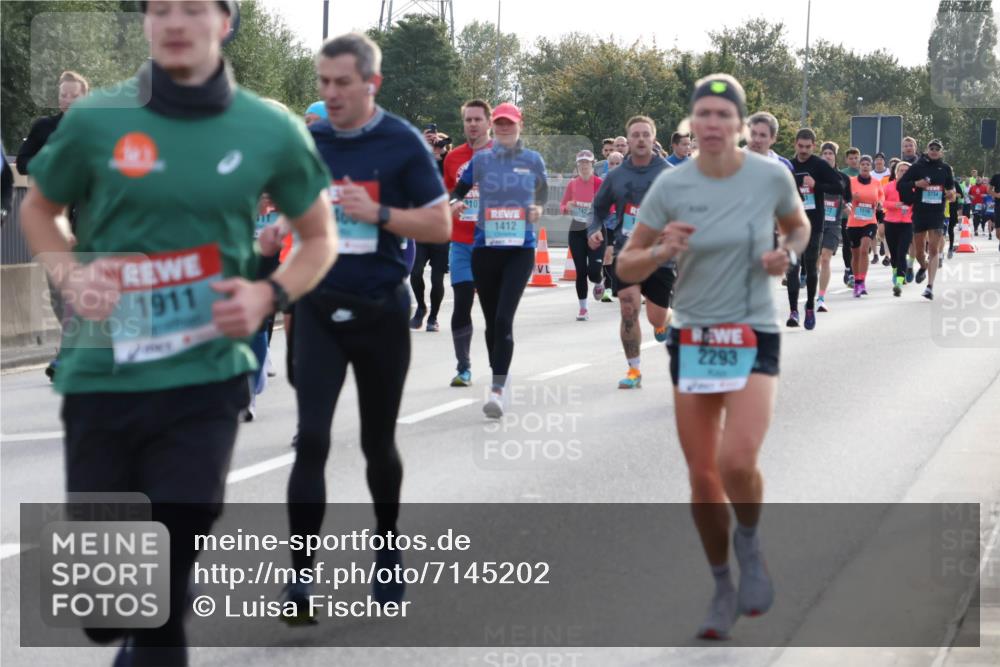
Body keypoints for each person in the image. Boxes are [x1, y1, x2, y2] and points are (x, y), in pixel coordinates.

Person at [19, 2, 338, 663]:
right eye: (159, 7)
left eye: (192, 7)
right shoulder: (97, 118)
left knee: (165, 581)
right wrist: (71, 274)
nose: (173, 20)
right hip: (103, 378)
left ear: (225, 23)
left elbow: (319, 236)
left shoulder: (268, 128)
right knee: (110, 611)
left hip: (204, 381)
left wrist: (268, 293)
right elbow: (39, 208)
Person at [616, 73, 809, 641]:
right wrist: (660, 250)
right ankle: (723, 584)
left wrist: (786, 254)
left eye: (724, 115)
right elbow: (626, 266)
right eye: (703, 115)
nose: (713, 124)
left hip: (752, 331)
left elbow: (798, 229)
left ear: (741, 125)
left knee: (737, 460)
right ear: (692, 125)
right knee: (702, 478)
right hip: (695, 335)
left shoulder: (771, 175)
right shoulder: (671, 188)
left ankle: (749, 544)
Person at [282, 32, 451, 620]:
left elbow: (439, 226)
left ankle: (387, 547)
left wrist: (377, 213)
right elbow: (280, 205)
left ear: (370, 84)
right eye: (323, 83)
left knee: (378, 443)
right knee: (313, 440)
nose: (330, 94)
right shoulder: (309, 141)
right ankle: (300, 580)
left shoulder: (401, 142)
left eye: (342, 84)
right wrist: (277, 229)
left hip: (380, 308)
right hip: (318, 305)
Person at [449, 102, 546, 418]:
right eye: (500, 124)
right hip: (485, 249)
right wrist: (453, 204)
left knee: (504, 319)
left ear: (520, 125)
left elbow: (542, 194)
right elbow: (460, 190)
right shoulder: (482, 159)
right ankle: (497, 374)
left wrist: (538, 210)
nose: (504, 129)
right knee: (492, 322)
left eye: (510, 124)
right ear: (495, 125)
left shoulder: (532, 160)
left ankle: (497, 388)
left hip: (520, 250)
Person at [588, 116, 673, 389]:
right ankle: (634, 370)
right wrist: (594, 229)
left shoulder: (669, 174)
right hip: (627, 253)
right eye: (634, 134)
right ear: (627, 139)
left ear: (652, 138)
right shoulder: (616, 176)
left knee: (655, 317)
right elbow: (598, 209)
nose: (639, 139)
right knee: (628, 308)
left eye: (645, 134)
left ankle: (665, 322)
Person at [17, 70, 89, 381]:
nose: (68, 100)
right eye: (63, 95)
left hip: (86, 219)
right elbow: (22, 163)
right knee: (59, 293)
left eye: (74, 95)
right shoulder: (44, 128)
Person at [443, 99, 493, 387]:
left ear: (488, 122)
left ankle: (497, 367)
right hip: (461, 241)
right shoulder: (453, 158)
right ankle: (463, 367)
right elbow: (449, 193)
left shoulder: (500, 154)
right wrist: (453, 204)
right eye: (468, 120)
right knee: (461, 304)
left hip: (492, 242)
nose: (472, 124)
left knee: (491, 309)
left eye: (477, 119)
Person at [786, 128, 842, 330]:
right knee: (792, 268)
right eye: (800, 146)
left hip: (814, 223)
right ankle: (793, 310)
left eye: (808, 147)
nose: (803, 150)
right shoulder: (788, 165)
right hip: (792, 223)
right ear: (795, 144)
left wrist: (816, 184)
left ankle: (809, 306)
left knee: (810, 266)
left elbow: (839, 187)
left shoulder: (819, 165)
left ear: (814, 146)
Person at [896, 138, 955, 300]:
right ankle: (923, 266)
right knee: (920, 252)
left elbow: (952, 191)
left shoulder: (945, 168)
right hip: (920, 212)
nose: (934, 151)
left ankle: (930, 286)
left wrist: (951, 195)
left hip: (937, 213)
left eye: (937, 148)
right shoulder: (917, 167)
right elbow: (900, 185)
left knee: (934, 249)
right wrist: (917, 183)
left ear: (941, 152)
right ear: (927, 149)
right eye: (932, 148)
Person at [560, 150, 605, 320]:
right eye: (581, 163)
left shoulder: (599, 183)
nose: (584, 166)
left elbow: (611, 207)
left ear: (592, 164)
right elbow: (563, 207)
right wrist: (568, 207)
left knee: (593, 272)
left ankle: (599, 281)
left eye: (587, 163)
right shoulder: (573, 184)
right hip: (577, 229)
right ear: (577, 165)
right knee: (580, 271)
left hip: (596, 229)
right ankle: (583, 308)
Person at [816, 141, 852, 312]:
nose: (828, 156)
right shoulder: (813, 176)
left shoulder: (843, 178)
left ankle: (821, 297)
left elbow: (849, 198)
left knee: (825, 258)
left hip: (834, 223)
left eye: (830, 153)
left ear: (835, 156)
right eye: (825, 153)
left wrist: (848, 206)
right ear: (821, 156)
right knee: (813, 261)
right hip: (814, 222)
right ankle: (810, 288)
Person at [845, 155, 885, 297]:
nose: (865, 166)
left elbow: (881, 196)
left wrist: (880, 203)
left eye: (868, 164)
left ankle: (862, 281)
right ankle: (856, 282)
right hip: (854, 222)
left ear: (871, 166)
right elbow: (845, 196)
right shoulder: (851, 181)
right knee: (855, 254)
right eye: (863, 164)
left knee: (864, 249)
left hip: (870, 221)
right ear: (859, 166)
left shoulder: (876, 182)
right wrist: (851, 198)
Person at [883, 161, 914, 297]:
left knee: (902, 252)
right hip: (890, 222)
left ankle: (899, 282)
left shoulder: (913, 187)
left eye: (906, 171)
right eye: (901, 170)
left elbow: (917, 202)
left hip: (907, 223)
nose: (903, 172)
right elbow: (882, 202)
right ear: (896, 173)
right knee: (894, 254)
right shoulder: (889, 186)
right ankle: (895, 269)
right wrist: (895, 205)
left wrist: (910, 206)